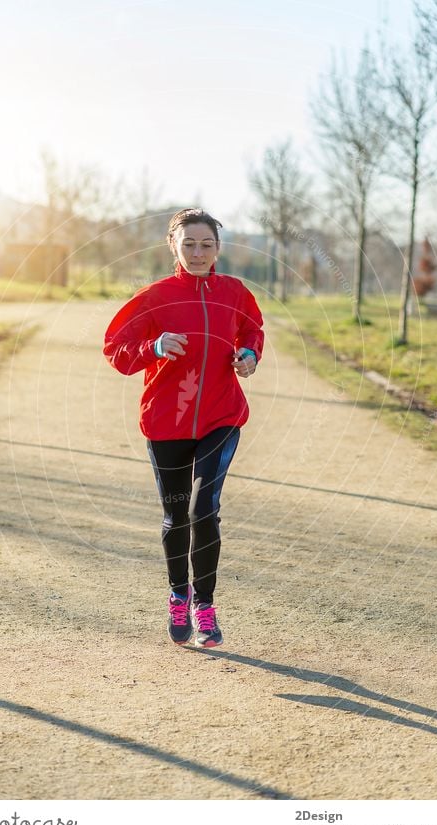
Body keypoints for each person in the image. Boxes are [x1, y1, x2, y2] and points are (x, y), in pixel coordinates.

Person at [103, 208, 264, 648]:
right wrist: (153, 346)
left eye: (206, 244)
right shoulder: (156, 296)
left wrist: (249, 356)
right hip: (166, 421)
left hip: (221, 416)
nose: (198, 252)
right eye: (188, 244)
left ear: (218, 248)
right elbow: (116, 349)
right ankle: (179, 594)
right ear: (172, 246)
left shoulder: (234, 292)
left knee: (202, 510)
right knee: (176, 516)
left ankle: (205, 606)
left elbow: (252, 332)